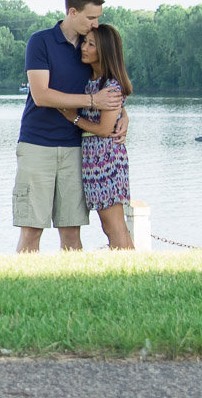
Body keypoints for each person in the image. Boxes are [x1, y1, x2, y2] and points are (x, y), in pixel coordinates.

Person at [14, 0, 126, 252]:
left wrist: (122, 113)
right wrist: (91, 102)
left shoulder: (90, 47)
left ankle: (72, 285)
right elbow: (41, 95)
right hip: (37, 145)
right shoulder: (40, 41)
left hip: (77, 149)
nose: (95, 23)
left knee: (72, 231)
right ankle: (20, 285)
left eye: (98, 17)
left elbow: (106, 82)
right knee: (31, 230)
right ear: (72, 12)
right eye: (90, 18)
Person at [68, 23, 134, 249]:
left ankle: (132, 271)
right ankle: (135, 270)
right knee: (112, 224)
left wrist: (73, 118)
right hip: (93, 158)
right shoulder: (92, 81)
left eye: (91, 44)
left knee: (113, 224)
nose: (83, 48)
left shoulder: (111, 86)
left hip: (106, 159)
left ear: (104, 50)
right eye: (84, 42)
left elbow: (105, 129)